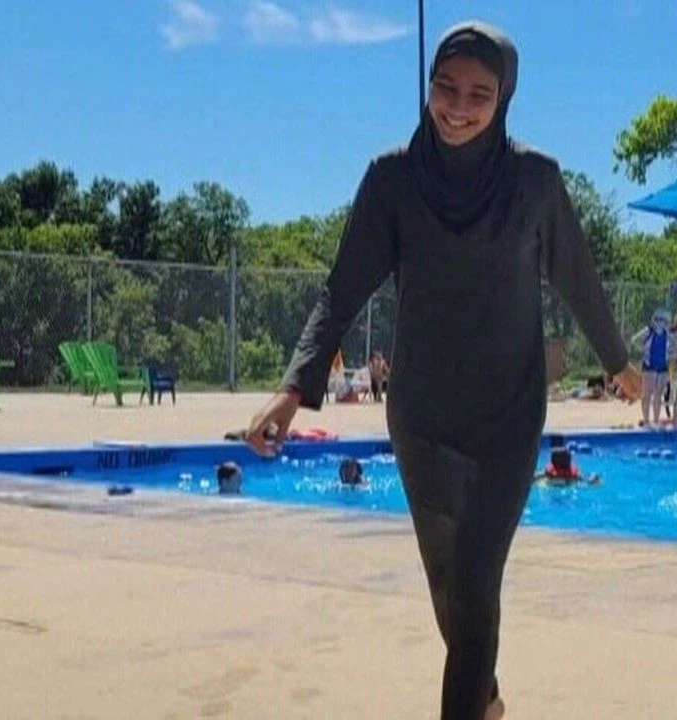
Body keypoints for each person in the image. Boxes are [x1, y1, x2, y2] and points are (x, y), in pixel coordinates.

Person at [244, 22, 642, 720]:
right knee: (448, 587)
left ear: (504, 98)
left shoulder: (535, 181)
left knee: (477, 580)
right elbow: (342, 289)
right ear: (427, 87)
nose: (458, 107)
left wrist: (617, 360)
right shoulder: (392, 180)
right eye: (445, 88)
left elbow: (578, 279)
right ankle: (483, 701)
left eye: (478, 94)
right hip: (422, 411)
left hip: (508, 413)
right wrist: (292, 389)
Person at [631, 308, 673, 427]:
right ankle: (646, 421)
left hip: (662, 366)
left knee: (658, 395)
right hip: (649, 366)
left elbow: (672, 346)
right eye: (659, 319)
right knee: (647, 395)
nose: (661, 322)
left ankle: (656, 420)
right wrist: (643, 349)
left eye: (663, 320)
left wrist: (673, 353)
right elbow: (634, 340)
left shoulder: (667, 333)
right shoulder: (648, 331)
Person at [534, 436, 601, 487]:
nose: (569, 459)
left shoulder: (548, 473)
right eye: (567, 458)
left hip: (553, 484)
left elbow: (536, 477)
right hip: (565, 484)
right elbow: (586, 481)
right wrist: (592, 479)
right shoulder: (573, 475)